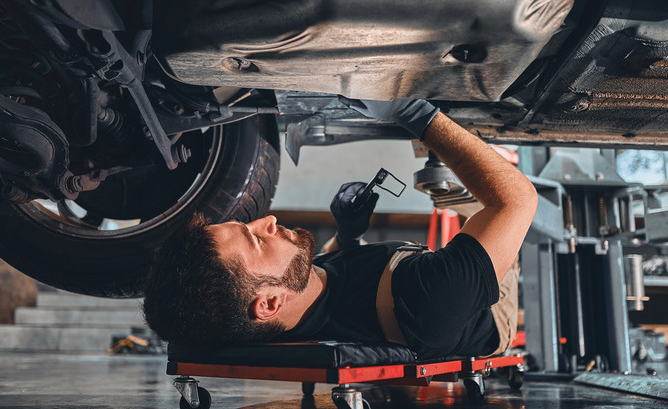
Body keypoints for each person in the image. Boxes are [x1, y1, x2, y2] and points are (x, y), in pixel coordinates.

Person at [143, 98, 538, 359]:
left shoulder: (281, 310)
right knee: (477, 197)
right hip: (484, 311)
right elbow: (518, 201)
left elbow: (330, 280)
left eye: (249, 224)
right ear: (268, 304)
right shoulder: (429, 301)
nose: (267, 220)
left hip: (400, 275)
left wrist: (348, 234)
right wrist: (417, 113)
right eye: (256, 239)